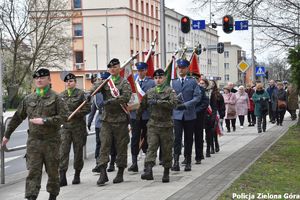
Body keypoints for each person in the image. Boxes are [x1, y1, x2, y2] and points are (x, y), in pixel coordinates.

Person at [1, 68, 68, 200]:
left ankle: (52, 196)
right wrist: (6, 135)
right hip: (34, 142)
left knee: (53, 172)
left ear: (49, 80)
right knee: (33, 172)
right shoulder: (28, 99)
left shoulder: (56, 98)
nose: (39, 80)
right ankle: (31, 197)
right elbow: (17, 117)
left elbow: (64, 117)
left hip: (52, 142)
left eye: (42, 78)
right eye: (36, 78)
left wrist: (45, 121)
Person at [92, 58, 132, 186]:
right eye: (110, 67)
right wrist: (90, 93)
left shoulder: (124, 82)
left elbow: (126, 96)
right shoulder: (105, 82)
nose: (112, 69)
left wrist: (112, 101)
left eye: (115, 67)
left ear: (119, 68)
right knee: (104, 145)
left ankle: (120, 172)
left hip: (120, 120)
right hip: (106, 120)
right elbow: (95, 89)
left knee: (121, 146)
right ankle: (103, 173)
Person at [138, 69, 177, 182]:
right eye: (156, 78)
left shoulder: (170, 91)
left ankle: (166, 172)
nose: (158, 80)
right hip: (153, 125)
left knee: (166, 149)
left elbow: (174, 104)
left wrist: (159, 102)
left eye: (160, 78)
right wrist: (137, 118)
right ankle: (149, 171)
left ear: (164, 78)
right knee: (151, 148)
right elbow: (142, 106)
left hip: (166, 125)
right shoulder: (150, 92)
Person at [59, 73, 91, 186]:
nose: (69, 83)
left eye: (71, 81)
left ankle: (77, 174)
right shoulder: (61, 95)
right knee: (63, 152)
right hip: (65, 128)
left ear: (75, 82)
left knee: (78, 152)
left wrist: (78, 113)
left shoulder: (81, 94)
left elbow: (88, 108)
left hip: (78, 128)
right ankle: (62, 176)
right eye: (67, 81)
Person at [171, 58, 201, 172]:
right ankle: (176, 161)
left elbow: (197, 97)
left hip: (189, 114)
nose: (181, 70)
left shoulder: (192, 81)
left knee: (188, 139)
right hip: (177, 115)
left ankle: (188, 161)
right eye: (179, 68)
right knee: (177, 139)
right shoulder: (173, 82)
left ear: (187, 69)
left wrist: (186, 105)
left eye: (183, 68)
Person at [128, 62, 155, 172]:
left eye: (142, 70)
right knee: (134, 139)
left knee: (147, 139)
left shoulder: (151, 82)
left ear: (146, 70)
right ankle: (134, 163)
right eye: (138, 70)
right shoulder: (133, 82)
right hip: (135, 116)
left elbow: (153, 97)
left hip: (147, 115)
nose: (140, 72)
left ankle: (147, 163)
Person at [88, 72, 109, 173]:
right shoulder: (96, 93)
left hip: (109, 121)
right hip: (99, 122)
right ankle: (98, 163)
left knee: (108, 144)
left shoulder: (111, 92)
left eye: (103, 80)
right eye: (100, 80)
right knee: (99, 143)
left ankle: (111, 161)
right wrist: (89, 121)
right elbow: (93, 108)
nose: (100, 82)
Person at [194, 76, 209, 163]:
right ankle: (186, 157)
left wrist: (196, 111)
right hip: (188, 116)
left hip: (198, 116)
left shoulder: (202, 89)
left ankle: (199, 156)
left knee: (198, 136)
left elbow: (205, 103)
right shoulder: (187, 89)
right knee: (188, 138)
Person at [209, 80, 225, 153]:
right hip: (207, 114)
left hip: (216, 114)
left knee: (214, 130)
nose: (211, 85)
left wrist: (222, 116)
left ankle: (216, 144)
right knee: (209, 132)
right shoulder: (206, 93)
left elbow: (222, 105)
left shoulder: (218, 94)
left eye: (212, 83)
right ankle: (211, 146)